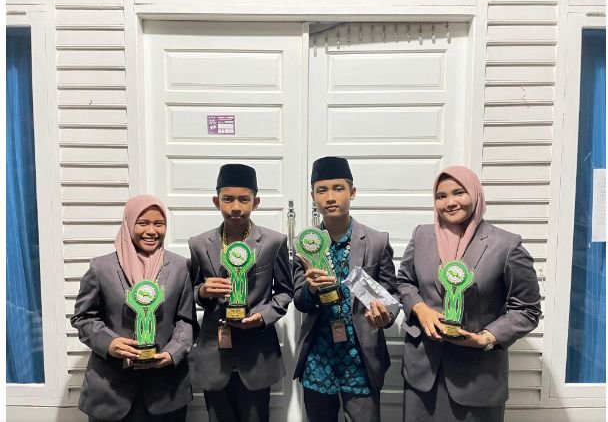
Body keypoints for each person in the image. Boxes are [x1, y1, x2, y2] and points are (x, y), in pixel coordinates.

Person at [397, 165, 542, 422]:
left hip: (477, 376)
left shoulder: (506, 245)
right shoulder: (422, 236)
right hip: (424, 372)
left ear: (475, 194)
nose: (449, 202)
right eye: (441, 196)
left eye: (459, 193)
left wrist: (486, 338)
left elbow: (527, 309)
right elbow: (405, 283)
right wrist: (420, 309)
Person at [71, 195, 196, 422]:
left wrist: (173, 352)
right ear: (128, 223)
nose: (152, 231)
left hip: (166, 390)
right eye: (143, 223)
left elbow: (186, 320)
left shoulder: (181, 267)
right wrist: (110, 344)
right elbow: (83, 318)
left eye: (159, 224)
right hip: (111, 390)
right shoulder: (101, 268)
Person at [293, 156, 400, 422]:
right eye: (322, 190)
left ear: (352, 192)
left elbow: (392, 296)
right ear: (313, 197)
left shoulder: (376, 241)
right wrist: (310, 290)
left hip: (360, 357)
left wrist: (385, 315)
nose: (330, 197)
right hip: (319, 357)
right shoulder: (304, 244)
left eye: (338, 188)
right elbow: (300, 302)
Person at [189, 163, 293, 422]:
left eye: (244, 199)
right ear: (216, 202)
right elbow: (190, 292)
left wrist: (263, 316)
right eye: (228, 199)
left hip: (257, 353)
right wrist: (203, 291)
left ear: (256, 202)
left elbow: (285, 291)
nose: (236, 207)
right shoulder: (199, 244)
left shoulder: (274, 242)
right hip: (214, 353)